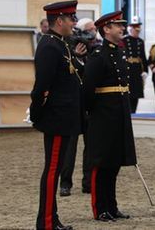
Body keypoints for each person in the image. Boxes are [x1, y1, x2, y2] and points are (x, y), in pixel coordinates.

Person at [30, 0, 82, 230]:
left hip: (64, 116)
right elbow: (41, 86)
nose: (74, 22)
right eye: (71, 18)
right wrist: (38, 113)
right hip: (56, 117)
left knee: (55, 168)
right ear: (59, 21)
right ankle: (47, 222)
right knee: (52, 170)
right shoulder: (50, 46)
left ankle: (52, 218)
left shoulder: (61, 44)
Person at [83, 11, 137, 222]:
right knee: (102, 164)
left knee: (114, 163)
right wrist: (93, 113)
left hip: (119, 114)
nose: (122, 29)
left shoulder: (118, 53)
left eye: (122, 26)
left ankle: (112, 206)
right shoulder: (99, 55)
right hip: (103, 115)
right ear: (106, 29)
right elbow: (88, 89)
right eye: (118, 26)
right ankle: (100, 208)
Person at [59, 17, 99, 196]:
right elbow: (65, 72)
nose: (93, 32)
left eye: (94, 29)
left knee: (91, 145)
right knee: (70, 146)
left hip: (90, 103)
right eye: (89, 29)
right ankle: (65, 183)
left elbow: (93, 73)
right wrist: (76, 57)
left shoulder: (96, 49)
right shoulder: (68, 46)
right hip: (73, 104)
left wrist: (85, 58)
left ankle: (88, 182)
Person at [123, 16, 148, 113]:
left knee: (136, 94)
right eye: (135, 29)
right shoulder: (124, 40)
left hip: (137, 70)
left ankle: (134, 112)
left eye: (138, 30)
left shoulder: (140, 42)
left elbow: (143, 57)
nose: (137, 32)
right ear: (131, 29)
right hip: (128, 69)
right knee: (128, 93)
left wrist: (145, 70)